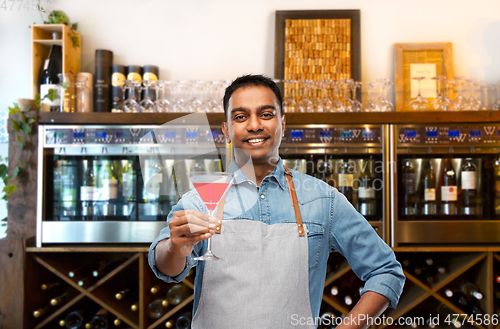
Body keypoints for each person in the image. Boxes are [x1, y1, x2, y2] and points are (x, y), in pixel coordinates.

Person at [149, 74, 405, 329]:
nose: (254, 125)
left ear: (282, 123)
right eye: (240, 117)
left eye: (266, 114)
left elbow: (386, 271)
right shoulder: (200, 198)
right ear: (226, 130)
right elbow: (166, 268)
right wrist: (175, 247)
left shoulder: (323, 199)